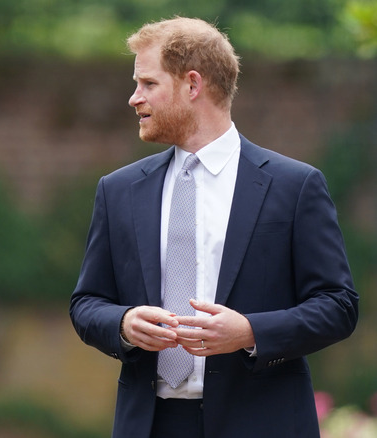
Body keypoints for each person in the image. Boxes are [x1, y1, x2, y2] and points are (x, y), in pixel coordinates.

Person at [69, 17, 358, 438]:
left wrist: (250, 332)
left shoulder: (295, 186)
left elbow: (338, 306)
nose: (134, 98)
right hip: (149, 425)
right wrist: (124, 323)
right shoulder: (118, 190)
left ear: (192, 85)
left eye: (148, 84)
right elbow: (86, 303)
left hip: (262, 423)